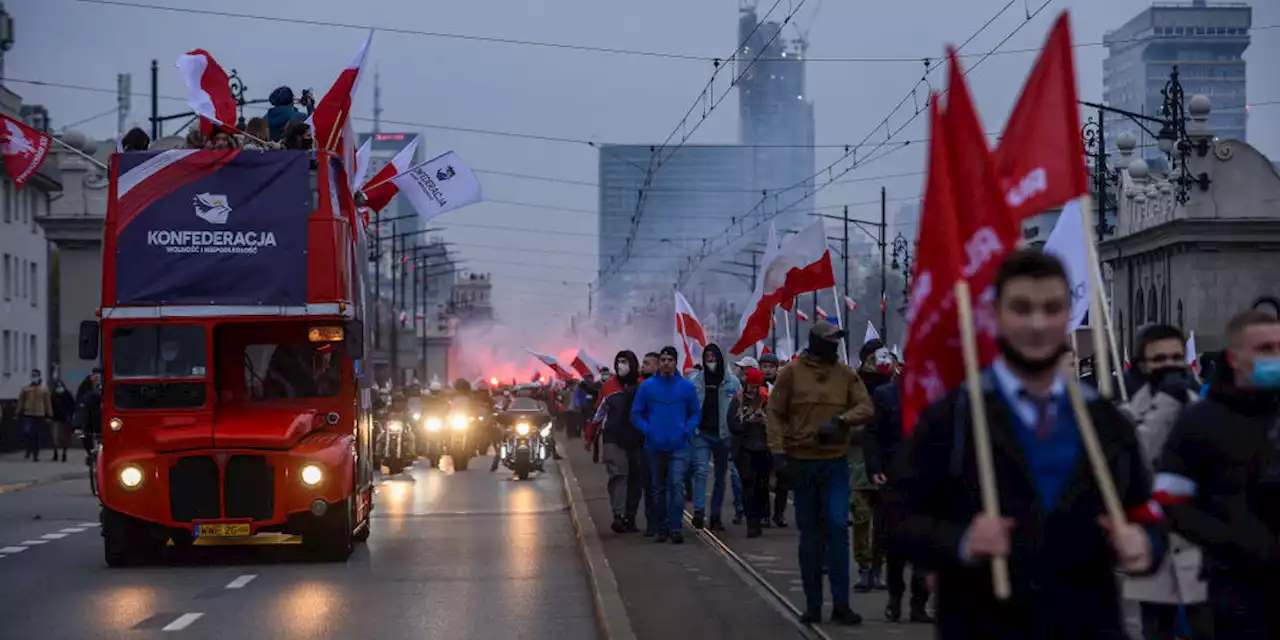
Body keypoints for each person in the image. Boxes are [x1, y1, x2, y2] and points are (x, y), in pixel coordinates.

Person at [898, 249, 1164, 638]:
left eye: (1051, 308)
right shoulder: (953, 417)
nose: (1038, 323)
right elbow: (899, 517)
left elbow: (1146, 512)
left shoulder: (1104, 419)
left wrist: (1146, 545)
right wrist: (960, 541)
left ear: (1066, 315)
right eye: (1022, 308)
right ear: (997, 316)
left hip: (1088, 624)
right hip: (984, 625)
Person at [1157, 308, 1280, 639]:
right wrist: (1229, 540)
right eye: (1265, 349)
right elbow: (1170, 498)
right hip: (1232, 591)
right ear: (1234, 358)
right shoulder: (1200, 421)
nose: (1276, 358)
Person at [767, 322, 874, 625]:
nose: (834, 347)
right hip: (801, 462)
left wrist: (841, 421)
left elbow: (866, 407)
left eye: (836, 342)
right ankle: (813, 605)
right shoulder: (791, 373)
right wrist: (777, 453)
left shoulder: (845, 374)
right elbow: (774, 413)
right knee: (810, 536)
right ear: (815, 342)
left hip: (835, 463)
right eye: (828, 342)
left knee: (839, 529)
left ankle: (841, 605)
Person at [1118, 324, 1211, 640]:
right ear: (1142, 365)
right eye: (1159, 359)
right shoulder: (1124, 416)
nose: (1169, 366)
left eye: (1176, 357)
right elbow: (1136, 464)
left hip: (1203, 548)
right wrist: (1164, 409)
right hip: (1152, 546)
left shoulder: (1205, 410)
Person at [863, 376, 933, 623]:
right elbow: (871, 435)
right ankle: (895, 597)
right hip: (894, 480)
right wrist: (874, 468)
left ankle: (919, 604)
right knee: (895, 543)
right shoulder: (885, 395)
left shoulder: (938, 392)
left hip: (929, 482)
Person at [631, 346, 700, 544]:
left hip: (679, 444)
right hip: (654, 445)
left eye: (670, 359)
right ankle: (661, 526)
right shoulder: (647, 387)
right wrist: (648, 429)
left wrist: (687, 429)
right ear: (659, 363)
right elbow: (636, 414)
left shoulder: (686, 387)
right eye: (663, 359)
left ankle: (675, 526)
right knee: (658, 487)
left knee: (676, 485)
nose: (666, 363)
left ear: (675, 362)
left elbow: (695, 412)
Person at [852, 338, 894, 592]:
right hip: (857, 463)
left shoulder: (892, 387)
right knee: (860, 517)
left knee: (884, 521)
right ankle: (864, 567)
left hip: (887, 463)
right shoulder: (853, 387)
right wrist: (868, 428)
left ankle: (879, 567)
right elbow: (846, 421)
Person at [689, 344, 742, 531]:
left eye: (714, 357)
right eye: (707, 357)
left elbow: (738, 409)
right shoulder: (694, 381)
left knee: (721, 476)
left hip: (724, 435)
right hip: (701, 434)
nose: (710, 360)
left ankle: (715, 515)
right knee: (701, 471)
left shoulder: (733, 383)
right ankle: (699, 511)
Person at [597, 351, 645, 533]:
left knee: (635, 479)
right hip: (613, 438)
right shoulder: (608, 387)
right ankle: (618, 515)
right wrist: (589, 436)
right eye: (618, 362)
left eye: (625, 362)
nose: (620, 366)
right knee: (618, 475)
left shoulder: (642, 386)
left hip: (637, 439)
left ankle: (630, 516)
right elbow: (598, 414)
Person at [730, 367, 771, 537]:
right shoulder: (738, 400)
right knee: (748, 486)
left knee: (762, 487)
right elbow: (732, 424)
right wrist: (747, 424)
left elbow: (776, 422)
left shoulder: (767, 400)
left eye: (756, 387)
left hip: (764, 449)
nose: (753, 390)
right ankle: (751, 522)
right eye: (750, 386)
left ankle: (760, 517)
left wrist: (763, 422)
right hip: (744, 448)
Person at [17, 369, 52, 461]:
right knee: (27, 432)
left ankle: (35, 454)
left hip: (39, 414)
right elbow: (21, 401)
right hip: (28, 413)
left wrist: (49, 415)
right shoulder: (26, 388)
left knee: (36, 435)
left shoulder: (44, 389)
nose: (34, 377)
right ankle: (28, 448)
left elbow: (47, 403)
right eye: (33, 376)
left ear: (39, 376)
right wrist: (17, 412)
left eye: (36, 376)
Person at [49, 379, 76, 463]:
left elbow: (72, 405)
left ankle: (64, 453)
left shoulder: (67, 394)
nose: (59, 387)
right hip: (55, 418)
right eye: (58, 386)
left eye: (60, 386)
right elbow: (50, 406)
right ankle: (56, 453)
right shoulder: (53, 395)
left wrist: (70, 415)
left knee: (64, 437)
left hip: (65, 419)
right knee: (55, 437)